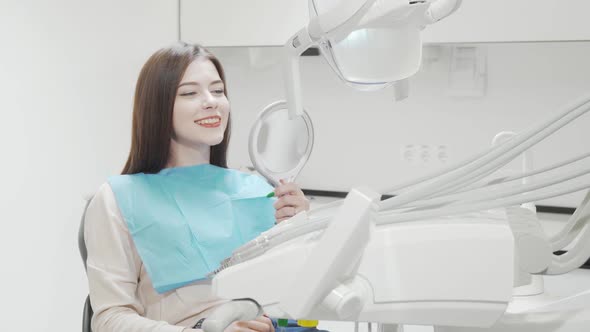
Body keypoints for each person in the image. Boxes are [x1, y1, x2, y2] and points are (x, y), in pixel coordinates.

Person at [84, 42, 313, 332]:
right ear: (158, 106)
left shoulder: (257, 190)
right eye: (190, 93)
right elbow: (108, 319)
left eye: (218, 91)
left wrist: (302, 230)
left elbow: (298, 295)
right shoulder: (117, 199)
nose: (211, 101)